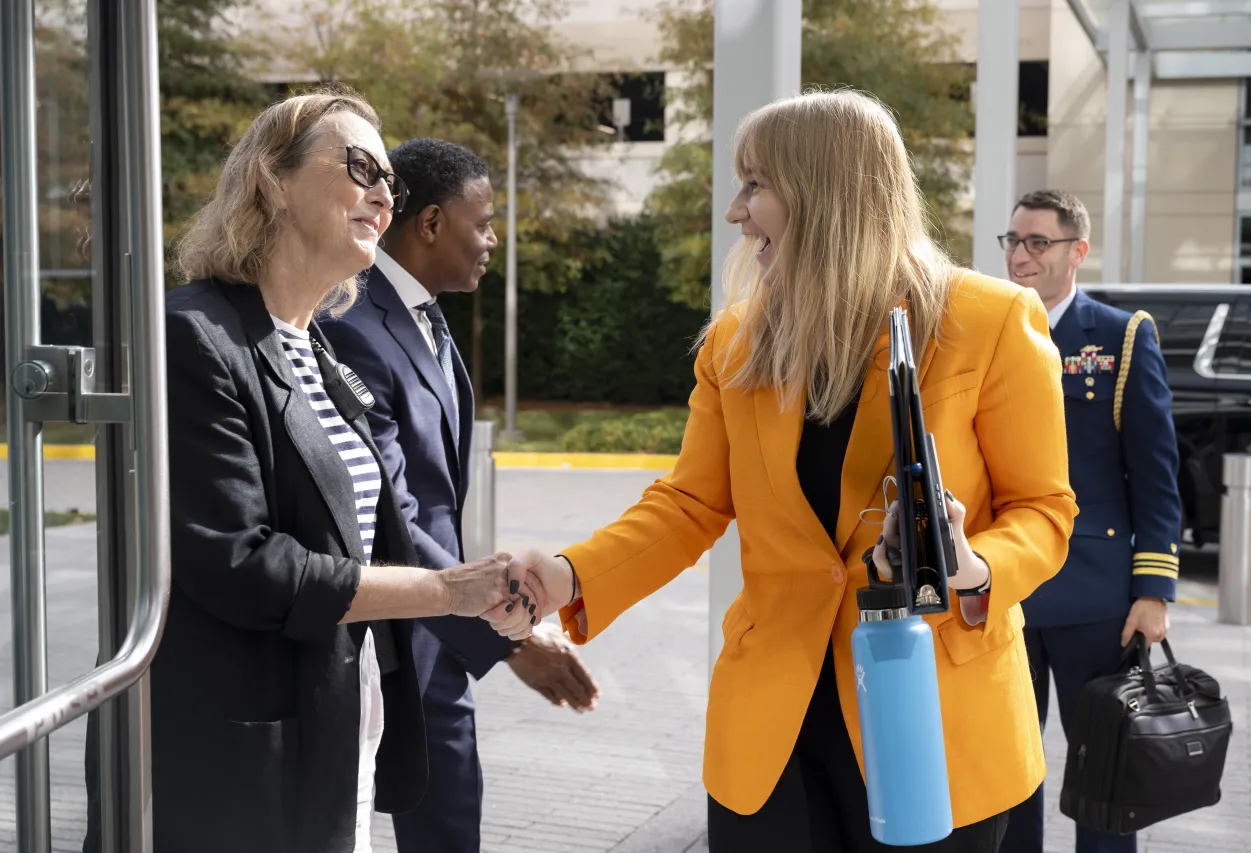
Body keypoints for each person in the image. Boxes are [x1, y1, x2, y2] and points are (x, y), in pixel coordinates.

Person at [493, 90, 1076, 853]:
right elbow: (690, 503)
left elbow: (1044, 510)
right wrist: (568, 575)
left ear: (825, 191)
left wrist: (971, 564)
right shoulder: (736, 342)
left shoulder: (993, 322)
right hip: (774, 730)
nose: (737, 211)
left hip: (933, 720)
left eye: (756, 184)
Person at [144, 90, 535, 853]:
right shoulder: (194, 334)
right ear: (272, 179)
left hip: (333, 729)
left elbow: (364, 534)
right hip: (232, 758)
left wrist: (484, 597)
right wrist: (447, 591)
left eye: (389, 178)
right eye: (360, 168)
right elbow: (240, 562)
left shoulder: (315, 347)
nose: (384, 194)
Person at [319, 137, 601, 853]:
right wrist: (504, 635)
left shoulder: (427, 317)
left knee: (450, 822)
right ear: (434, 223)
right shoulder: (352, 326)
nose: (492, 240)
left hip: (437, 631)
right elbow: (392, 510)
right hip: (388, 631)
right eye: (483, 223)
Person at [999, 189, 1181, 853]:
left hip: (1094, 595)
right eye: (1013, 240)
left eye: (1036, 242)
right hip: (1004, 588)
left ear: (1077, 250)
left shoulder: (1120, 335)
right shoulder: (988, 326)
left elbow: (1156, 472)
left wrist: (1154, 590)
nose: (1020, 255)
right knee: (1006, 770)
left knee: (1101, 770)